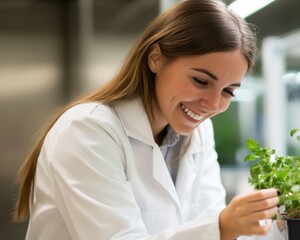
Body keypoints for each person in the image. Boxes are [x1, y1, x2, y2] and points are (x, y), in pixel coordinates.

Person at [14, 0, 285, 239]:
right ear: (156, 58)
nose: (212, 104)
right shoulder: (87, 130)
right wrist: (222, 227)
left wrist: (266, 225)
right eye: (201, 80)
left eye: (228, 91)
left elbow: (209, 222)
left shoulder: (199, 135)